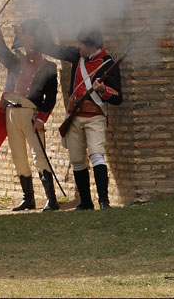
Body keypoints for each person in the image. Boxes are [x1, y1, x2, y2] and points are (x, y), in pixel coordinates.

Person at [37, 28, 122, 210]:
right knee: (77, 159)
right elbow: (54, 49)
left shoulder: (108, 64)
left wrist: (102, 90)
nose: (78, 47)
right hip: (74, 116)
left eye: (80, 44)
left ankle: (104, 201)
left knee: (97, 155)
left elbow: (117, 97)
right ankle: (85, 202)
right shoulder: (78, 56)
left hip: (95, 116)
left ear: (91, 45)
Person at [0, 19, 59, 211]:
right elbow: (2, 53)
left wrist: (41, 118)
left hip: (31, 114)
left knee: (39, 157)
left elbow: (51, 98)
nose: (30, 49)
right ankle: (28, 198)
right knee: (19, 157)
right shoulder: (16, 62)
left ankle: (51, 200)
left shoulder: (49, 67)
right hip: (12, 112)